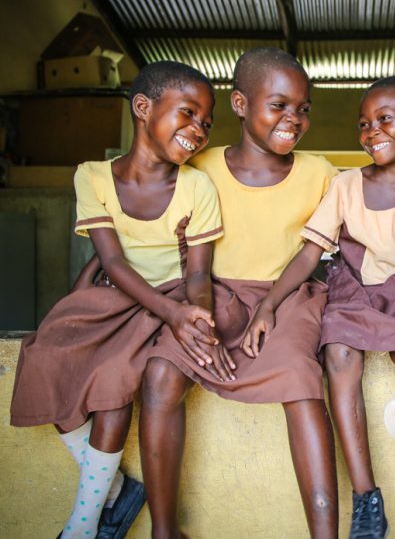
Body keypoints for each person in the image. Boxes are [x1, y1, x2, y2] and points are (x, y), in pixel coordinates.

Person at [245, 75, 395, 538]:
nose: (372, 132)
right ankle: (367, 499)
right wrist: (270, 303)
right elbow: (310, 253)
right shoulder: (346, 185)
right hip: (350, 291)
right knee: (339, 354)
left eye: (384, 120)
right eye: (364, 124)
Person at [10, 61, 223, 539]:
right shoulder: (92, 176)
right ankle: (116, 492)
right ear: (143, 108)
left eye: (207, 123)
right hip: (116, 292)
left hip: (170, 296)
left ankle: (83, 525)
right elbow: (114, 260)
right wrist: (170, 312)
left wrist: (194, 314)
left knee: (110, 387)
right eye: (188, 113)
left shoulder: (196, 186)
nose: (199, 130)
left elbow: (198, 273)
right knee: (44, 359)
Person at [139, 47, 339, 538]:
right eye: (279, 105)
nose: (294, 118)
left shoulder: (321, 173)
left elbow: (341, 246)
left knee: (299, 376)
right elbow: (154, 229)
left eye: (303, 108)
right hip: (215, 294)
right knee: (162, 372)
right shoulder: (198, 166)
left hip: (289, 297)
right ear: (240, 104)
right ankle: (165, 531)